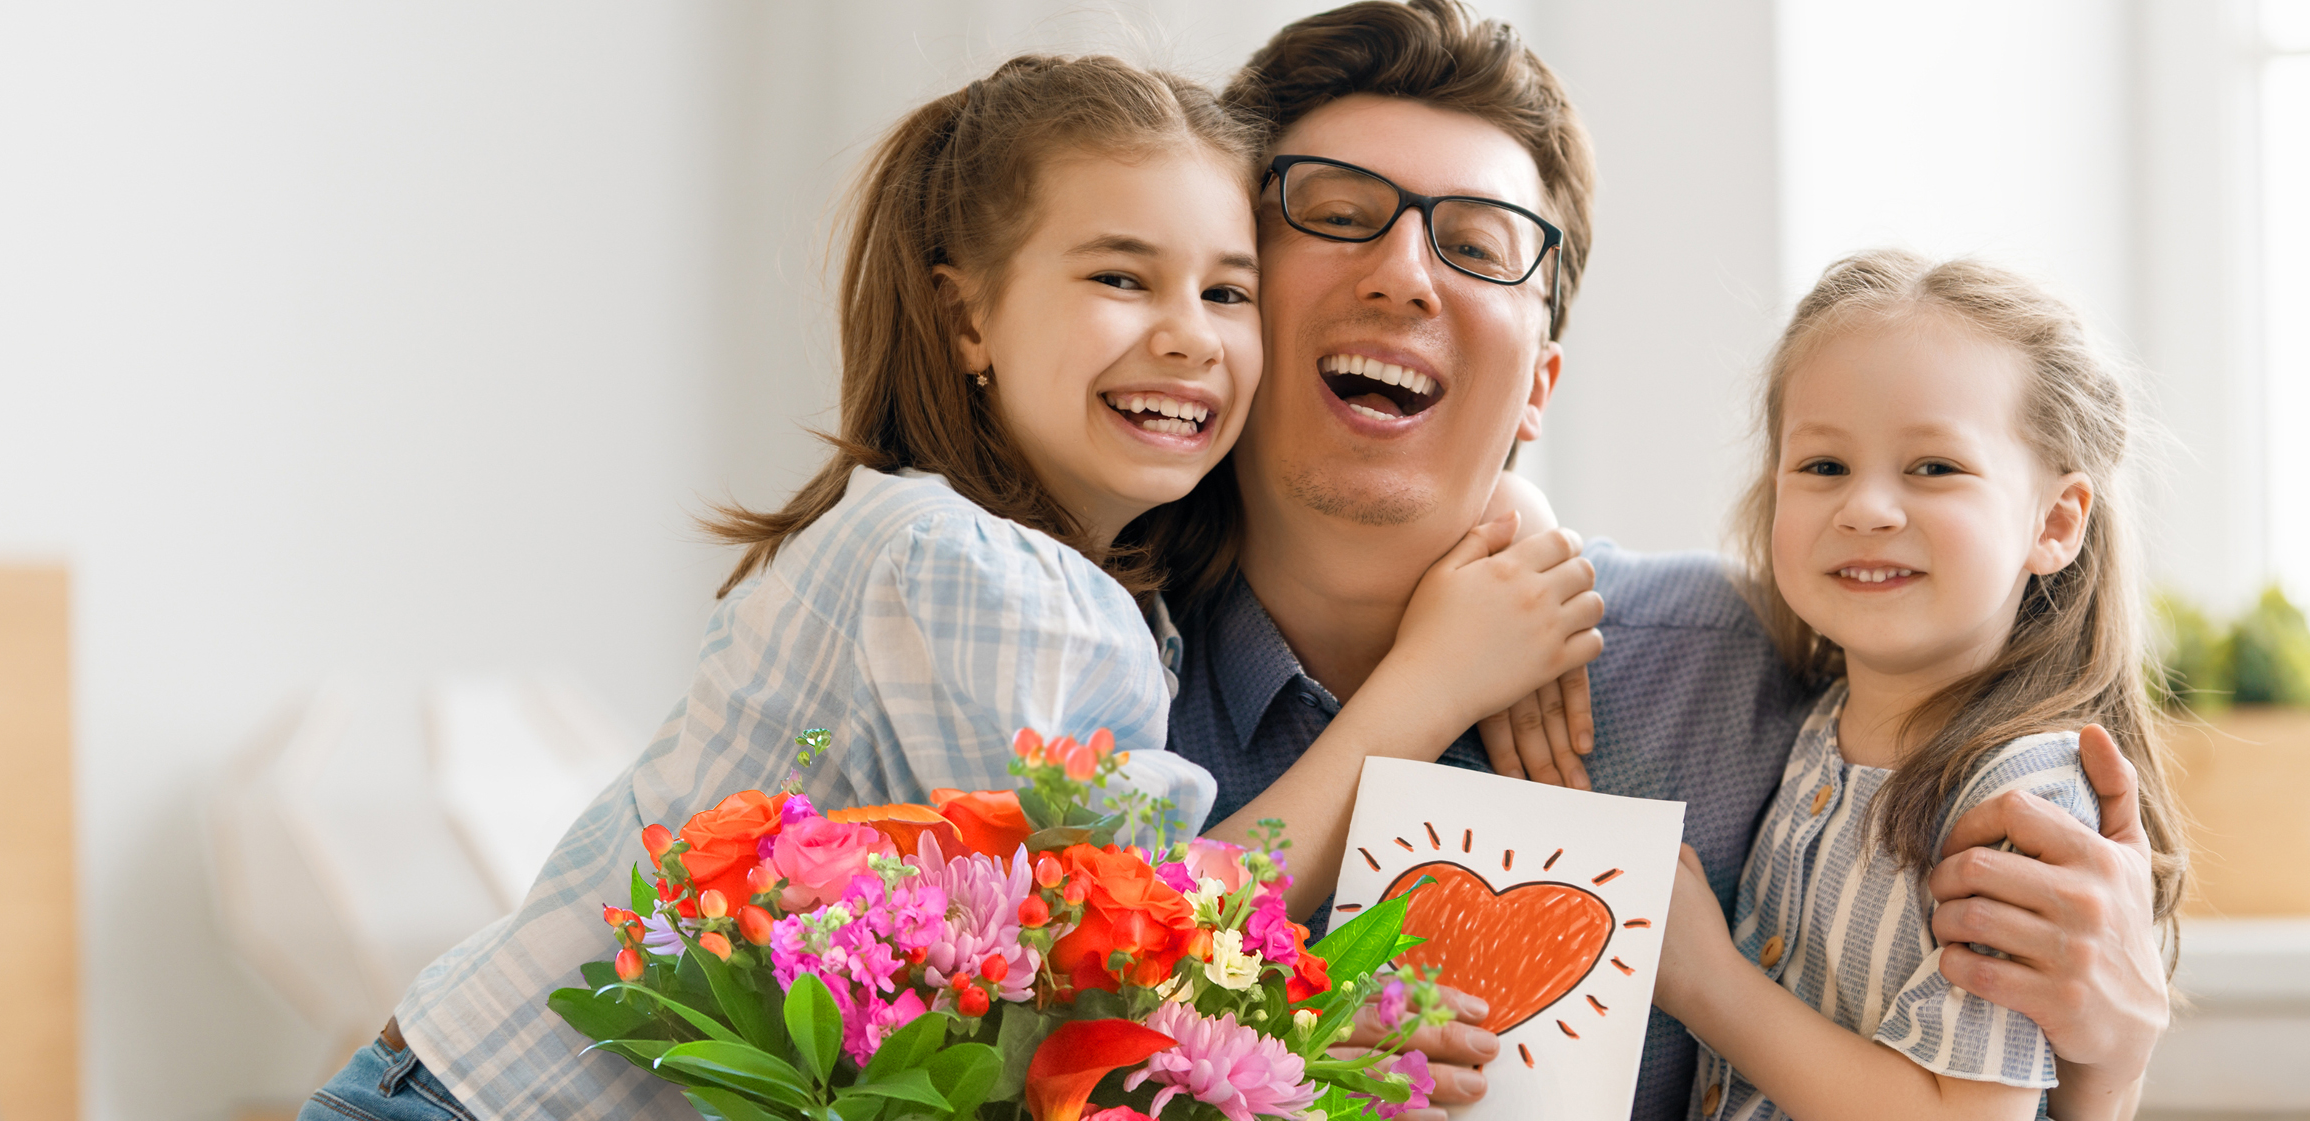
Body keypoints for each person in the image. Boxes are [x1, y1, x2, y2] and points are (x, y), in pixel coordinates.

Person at [311, 54, 1605, 1121]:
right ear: (968, 315)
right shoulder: (967, 574)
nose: (1184, 333)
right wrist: (1425, 689)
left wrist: (1503, 498)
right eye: (1118, 277)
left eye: (1226, 291)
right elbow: (1123, 947)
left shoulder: (1080, 575)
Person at [1163, 4, 2176, 1119]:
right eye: (1338, 214)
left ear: (1539, 385)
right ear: (1230, 303)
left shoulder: (1738, 669)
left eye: (1476, 244)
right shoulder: (1091, 666)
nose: (1403, 275)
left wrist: (2105, 1063)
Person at [1647, 249, 2186, 1120]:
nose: (1865, 507)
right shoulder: (1817, 719)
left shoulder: (2022, 799)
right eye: (1822, 466)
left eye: (1933, 467)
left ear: (2053, 523)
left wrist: (1705, 979)